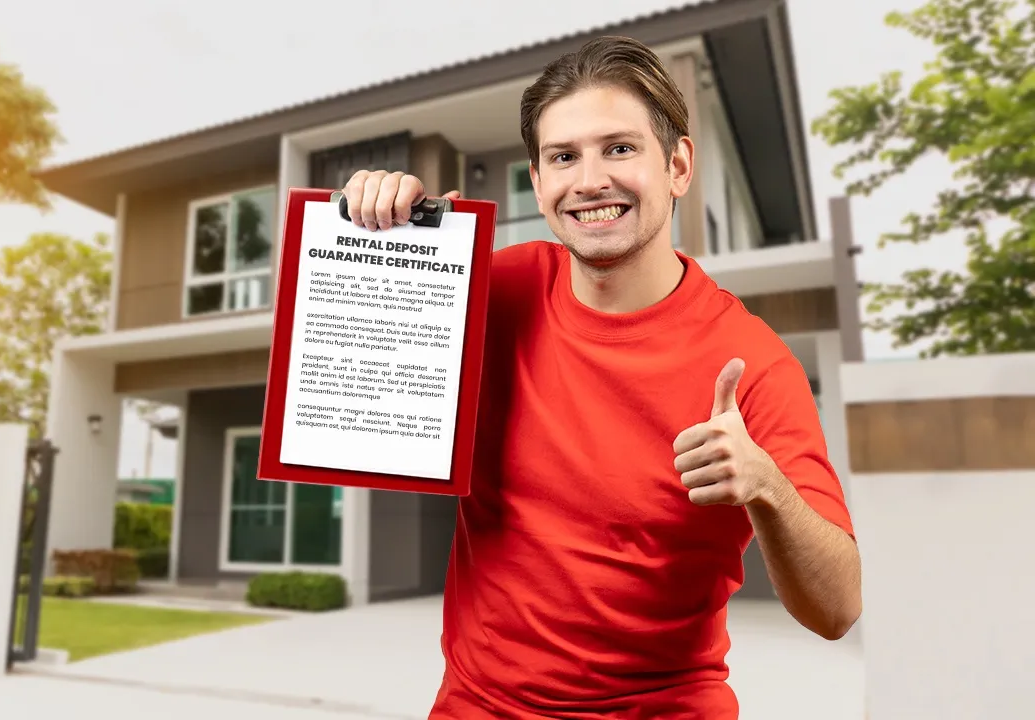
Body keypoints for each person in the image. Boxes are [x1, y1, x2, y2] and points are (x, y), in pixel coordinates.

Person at [338, 35, 862, 719]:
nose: (589, 181)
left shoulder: (752, 362)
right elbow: (349, 371)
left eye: (619, 148)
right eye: (564, 157)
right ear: (539, 181)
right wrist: (366, 231)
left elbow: (838, 609)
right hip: (476, 707)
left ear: (677, 166)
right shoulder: (500, 289)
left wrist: (767, 487)